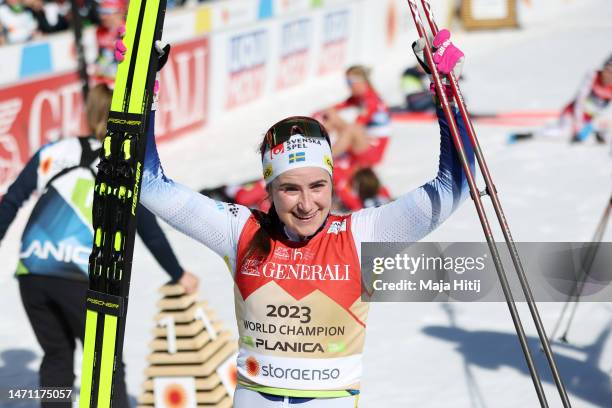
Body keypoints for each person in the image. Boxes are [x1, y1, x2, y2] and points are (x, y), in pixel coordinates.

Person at [116, 26, 473, 406]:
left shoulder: (359, 235)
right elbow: (150, 186)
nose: (306, 204)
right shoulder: (239, 231)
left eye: (318, 186)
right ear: (268, 190)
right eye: (290, 189)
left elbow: (453, 189)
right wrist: (141, 94)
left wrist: (447, 96)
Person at [0, 84, 199, 407]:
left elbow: (10, 202)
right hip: (78, 275)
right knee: (106, 364)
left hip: (32, 271)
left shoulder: (53, 150)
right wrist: (177, 273)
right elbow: (148, 231)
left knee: (56, 358)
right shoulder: (121, 165)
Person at [509, 55, 612, 144]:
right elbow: (580, 99)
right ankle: (528, 135)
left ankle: (594, 132)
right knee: (562, 132)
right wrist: (578, 125)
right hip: (572, 112)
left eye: (611, 73)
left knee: (604, 135)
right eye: (606, 70)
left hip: (591, 119)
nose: (607, 76)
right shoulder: (593, 75)